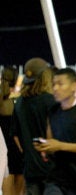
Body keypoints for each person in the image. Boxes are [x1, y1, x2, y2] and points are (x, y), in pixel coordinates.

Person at [34, 67, 76, 194]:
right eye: (53, 84)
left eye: (60, 84)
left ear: (74, 86)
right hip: (59, 179)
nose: (55, 88)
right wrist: (46, 148)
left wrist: (60, 146)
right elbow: (51, 142)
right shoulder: (53, 112)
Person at [11, 57, 56, 194]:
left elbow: (15, 135)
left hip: (30, 169)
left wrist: (29, 153)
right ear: (45, 76)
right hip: (52, 169)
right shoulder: (51, 101)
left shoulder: (19, 103)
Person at [1, 65, 25, 195]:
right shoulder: (21, 100)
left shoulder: (2, 100)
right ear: (17, 79)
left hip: (4, 149)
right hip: (19, 148)